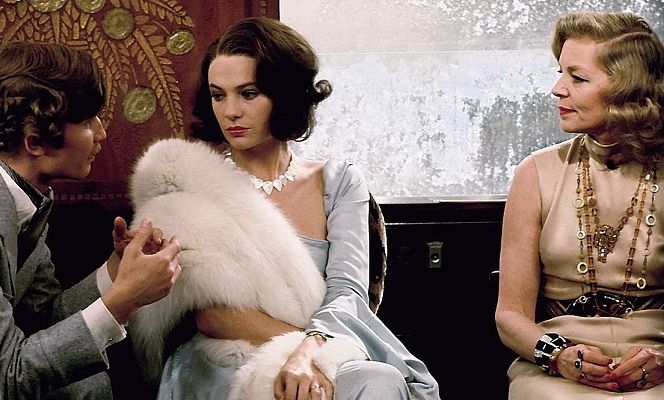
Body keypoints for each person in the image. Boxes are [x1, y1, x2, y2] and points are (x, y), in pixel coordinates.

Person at [154, 16, 441, 400]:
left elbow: (348, 292)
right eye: (218, 95)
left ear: (285, 95)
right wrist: (299, 349)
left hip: (324, 344)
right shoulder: (196, 186)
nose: (231, 111)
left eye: (248, 93)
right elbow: (212, 315)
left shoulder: (338, 182)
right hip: (223, 360)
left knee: (379, 380)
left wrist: (311, 352)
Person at [495, 10, 664, 399]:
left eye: (578, 78)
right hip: (556, 371)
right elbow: (509, 316)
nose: (558, 89)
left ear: (626, 88)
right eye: (561, 73)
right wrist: (558, 355)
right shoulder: (535, 172)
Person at [0, 41, 182, 399]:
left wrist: (117, 270)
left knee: (87, 385)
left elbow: (44, 320)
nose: (101, 133)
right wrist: (125, 299)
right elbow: (8, 377)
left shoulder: (29, 199)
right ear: (35, 142)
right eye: (86, 122)